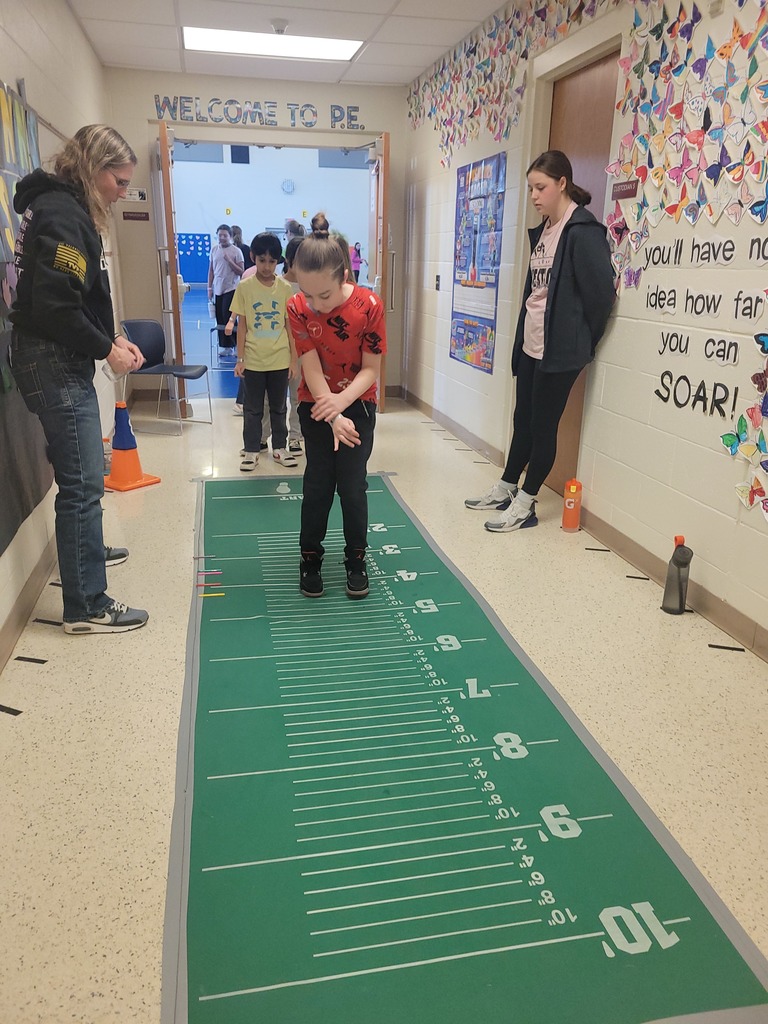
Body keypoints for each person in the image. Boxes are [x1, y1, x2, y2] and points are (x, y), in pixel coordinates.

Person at [9, 124, 148, 634]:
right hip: (52, 361)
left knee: (84, 483)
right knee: (84, 485)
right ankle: (86, 604)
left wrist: (111, 336)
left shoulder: (60, 209)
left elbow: (73, 299)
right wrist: (107, 347)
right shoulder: (63, 215)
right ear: (95, 170)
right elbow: (56, 308)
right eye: (119, 181)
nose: (121, 192)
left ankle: (86, 557)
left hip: (56, 357)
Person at [465, 150, 614, 532]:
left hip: (560, 351)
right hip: (532, 343)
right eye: (531, 187)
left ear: (562, 184)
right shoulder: (545, 230)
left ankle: (526, 504)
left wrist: (582, 340)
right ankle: (506, 486)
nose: (533, 195)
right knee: (523, 420)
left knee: (544, 425)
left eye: (540, 187)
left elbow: (601, 296)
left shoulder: (582, 231)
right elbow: (537, 293)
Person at [287, 212, 386, 601]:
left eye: (324, 296)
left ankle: (356, 559)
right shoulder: (297, 307)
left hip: (358, 406)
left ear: (344, 275)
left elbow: (371, 369)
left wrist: (343, 410)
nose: (316, 305)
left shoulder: (369, 305)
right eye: (308, 295)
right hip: (316, 407)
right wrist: (332, 417)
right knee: (317, 485)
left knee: (353, 486)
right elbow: (309, 366)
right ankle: (310, 558)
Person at [230, 232, 298, 471]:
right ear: (253, 258)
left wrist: (293, 360)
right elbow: (243, 326)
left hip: (279, 359)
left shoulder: (286, 289)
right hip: (254, 361)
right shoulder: (245, 287)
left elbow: (290, 327)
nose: (267, 267)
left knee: (279, 407)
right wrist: (240, 359)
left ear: (278, 261)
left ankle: (279, 447)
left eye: (272, 261)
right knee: (252, 409)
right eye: (261, 260)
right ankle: (251, 450)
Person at [207, 223, 243, 354]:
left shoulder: (236, 251)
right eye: (220, 235)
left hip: (231, 288)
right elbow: (211, 270)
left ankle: (237, 345)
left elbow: (241, 271)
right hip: (218, 288)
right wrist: (209, 288)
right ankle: (225, 346)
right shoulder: (214, 250)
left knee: (229, 317)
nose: (222, 238)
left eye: (225, 235)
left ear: (231, 237)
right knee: (220, 317)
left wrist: (229, 260)